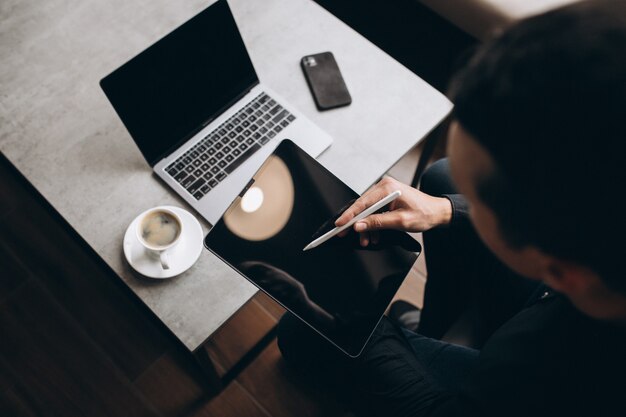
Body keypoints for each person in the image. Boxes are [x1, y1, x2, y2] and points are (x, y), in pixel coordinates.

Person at [276, 1, 626, 416]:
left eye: (479, 204)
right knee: (443, 178)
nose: (467, 205)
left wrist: (350, 325)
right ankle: (432, 329)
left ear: (558, 270)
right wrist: (446, 209)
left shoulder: (536, 365)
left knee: (300, 331)